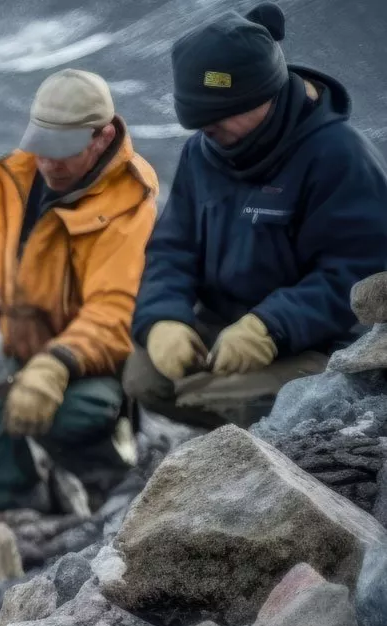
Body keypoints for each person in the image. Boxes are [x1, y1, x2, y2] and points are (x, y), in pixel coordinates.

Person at [128, 2, 387, 429]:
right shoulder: (203, 151)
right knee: (145, 377)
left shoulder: (339, 156)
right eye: (199, 123)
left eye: (217, 119)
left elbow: (357, 276)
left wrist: (269, 326)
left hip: (316, 343)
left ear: (262, 93)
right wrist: (163, 318)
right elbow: (172, 248)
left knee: (242, 400)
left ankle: (263, 454)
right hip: (224, 328)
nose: (206, 133)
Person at [0, 69, 158, 511]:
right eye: (42, 146)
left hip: (94, 364)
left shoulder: (127, 201)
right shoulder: (21, 176)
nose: (49, 162)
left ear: (102, 137)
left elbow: (114, 308)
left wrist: (55, 365)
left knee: (63, 416)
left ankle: (118, 493)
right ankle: (19, 520)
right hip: (25, 351)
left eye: (63, 151)